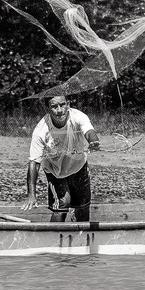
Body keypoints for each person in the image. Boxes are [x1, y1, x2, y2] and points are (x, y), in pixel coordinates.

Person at [21, 94, 100, 222]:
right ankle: (54, 238)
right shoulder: (41, 130)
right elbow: (34, 163)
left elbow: (89, 131)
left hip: (78, 166)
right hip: (55, 171)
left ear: (68, 104)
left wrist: (94, 141)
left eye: (62, 105)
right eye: (54, 106)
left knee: (82, 207)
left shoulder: (78, 116)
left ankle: (82, 238)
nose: (59, 110)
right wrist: (31, 195)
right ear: (48, 108)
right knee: (63, 204)